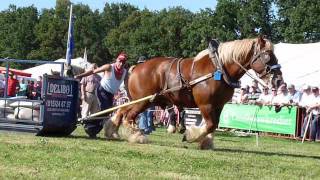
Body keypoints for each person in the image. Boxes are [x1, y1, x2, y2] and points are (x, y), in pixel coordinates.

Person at [75, 52, 128, 138]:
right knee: (105, 110)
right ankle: (90, 126)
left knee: (107, 113)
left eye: (123, 62)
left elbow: (127, 85)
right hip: (102, 90)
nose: (121, 64)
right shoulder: (109, 67)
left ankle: (92, 129)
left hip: (111, 94)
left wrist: (130, 96)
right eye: (120, 61)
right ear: (117, 60)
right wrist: (79, 76)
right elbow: (93, 71)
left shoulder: (125, 72)